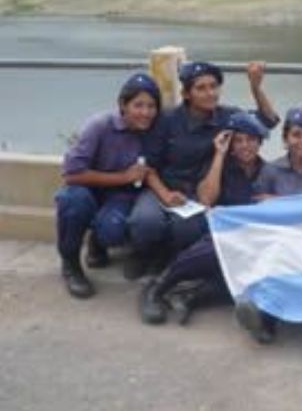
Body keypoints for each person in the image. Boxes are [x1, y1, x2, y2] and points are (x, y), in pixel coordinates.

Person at [127, 61, 280, 278]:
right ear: (186, 93)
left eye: (213, 86)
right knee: (145, 221)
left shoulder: (227, 117)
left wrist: (255, 87)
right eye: (201, 88)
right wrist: (165, 194)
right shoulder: (167, 120)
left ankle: (170, 262)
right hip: (161, 186)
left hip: (197, 192)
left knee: (187, 227)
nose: (210, 94)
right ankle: (143, 255)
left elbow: (268, 121)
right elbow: (148, 166)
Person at [139, 112, 272, 325]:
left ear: (260, 142)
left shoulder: (269, 171)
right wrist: (219, 154)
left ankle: (189, 298)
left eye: (251, 140)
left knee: (243, 279)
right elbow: (206, 198)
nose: (245, 146)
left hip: (253, 242)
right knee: (211, 250)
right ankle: (157, 288)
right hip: (222, 235)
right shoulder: (221, 167)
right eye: (238, 140)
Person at [234, 108, 302, 348]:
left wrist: (281, 203)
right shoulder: (271, 170)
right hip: (283, 239)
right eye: (296, 134)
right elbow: (259, 207)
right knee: (275, 254)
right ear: (285, 138)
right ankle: (266, 318)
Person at [55, 73, 161, 298]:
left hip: (120, 195)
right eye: (138, 105)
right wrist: (123, 176)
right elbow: (71, 173)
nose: (145, 112)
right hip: (87, 189)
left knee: (112, 229)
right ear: (123, 105)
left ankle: (99, 241)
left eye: (151, 106)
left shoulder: (153, 131)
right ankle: (70, 263)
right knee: (72, 200)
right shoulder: (99, 126)